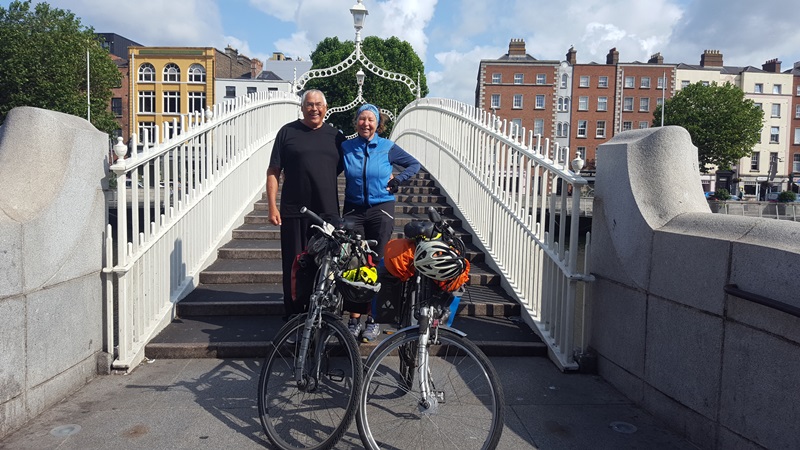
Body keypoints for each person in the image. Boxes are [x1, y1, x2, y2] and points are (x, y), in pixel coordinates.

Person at [340, 103, 420, 342]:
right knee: (354, 264)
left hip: (380, 209)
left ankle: (372, 319)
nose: (366, 123)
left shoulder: (388, 147)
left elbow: (414, 165)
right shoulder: (346, 147)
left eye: (371, 120)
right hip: (354, 209)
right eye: (362, 119)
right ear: (356, 122)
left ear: (378, 124)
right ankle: (354, 319)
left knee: (375, 263)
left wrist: (398, 181)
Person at [267, 89, 345, 320]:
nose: (314, 109)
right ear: (302, 108)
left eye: (318, 104)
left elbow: (349, 165)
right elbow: (273, 171)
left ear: (326, 108)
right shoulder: (287, 132)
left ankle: (324, 315)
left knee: (326, 266)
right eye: (309, 104)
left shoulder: (336, 136)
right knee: (294, 265)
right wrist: (272, 206)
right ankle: (294, 315)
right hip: (293, 211)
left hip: (327, 214)